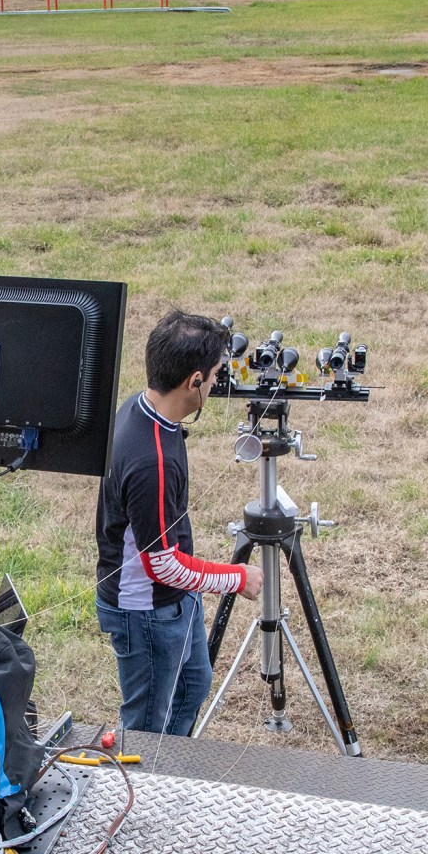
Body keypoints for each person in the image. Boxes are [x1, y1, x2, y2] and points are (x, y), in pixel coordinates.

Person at [94, 309, 259, 735]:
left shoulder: (141, 406)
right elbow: (163, 565)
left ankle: (175, 774)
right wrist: (237, 577)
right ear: (195, 381)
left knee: (193, 686)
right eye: (217, 373)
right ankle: (145, 790)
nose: (221, 381)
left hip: (172, 601)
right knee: (148, 727)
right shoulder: (153, 462)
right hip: (146, 611)